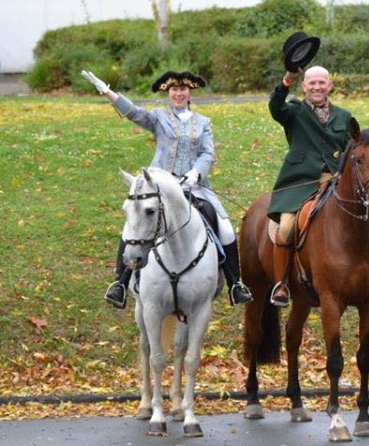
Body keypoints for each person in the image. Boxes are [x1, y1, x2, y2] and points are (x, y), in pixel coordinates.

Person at [81, 69, 253, 309]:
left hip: (195, 187)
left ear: (190, 92)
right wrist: (108, 92)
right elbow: (134, 113)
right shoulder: (158, 117)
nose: (179, 93)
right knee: (133, 225)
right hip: (159, 185)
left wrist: (196, 172)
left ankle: (235, 283)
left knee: (224, 226)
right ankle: (121, 282)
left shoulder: (203, 123)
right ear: (168, 92)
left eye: (183, 89)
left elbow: (207, 152)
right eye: (174, 89)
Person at [266, 65, 352, 307]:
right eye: (312, 83)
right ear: (304, 86)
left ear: (330, 85)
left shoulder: (343, 116)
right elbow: (275, 108)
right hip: (299, 181)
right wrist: (286, 82)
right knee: (286, 227)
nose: (317, 87)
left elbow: (350, 149)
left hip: (335, 180)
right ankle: (281, 284)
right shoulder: (293, 110)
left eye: (321, 83)